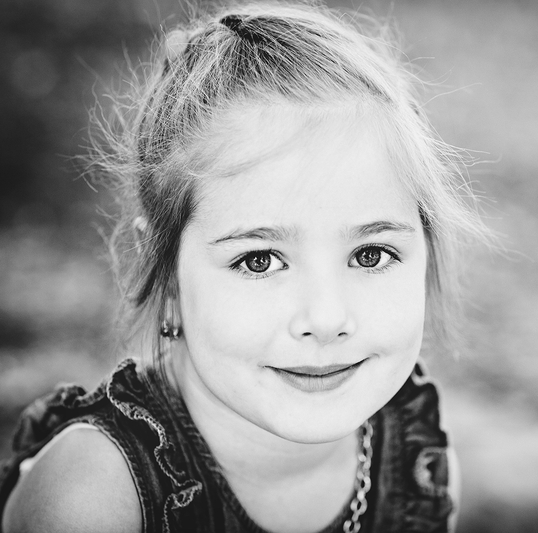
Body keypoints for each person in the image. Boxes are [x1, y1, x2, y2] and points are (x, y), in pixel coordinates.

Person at [0, 2, 492, 531]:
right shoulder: (92, 500)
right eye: (259, 261)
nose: (326, 318)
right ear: (165, 272)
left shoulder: (420, 467)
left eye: (370, 255)